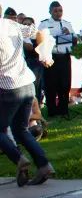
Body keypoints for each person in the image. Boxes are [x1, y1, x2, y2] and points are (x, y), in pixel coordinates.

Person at [1, 10, 54, 187]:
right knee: (20, 129)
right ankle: (44, 165)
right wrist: (44, 54)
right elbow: (40, 33)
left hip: (8, 87)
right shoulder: (11, 24)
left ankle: (19, 159)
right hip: (27, 83)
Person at [39, 1, 76, 117]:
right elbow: (39, 40)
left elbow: (75, 41)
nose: (58, 13)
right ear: (50, 11)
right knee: (51, 85)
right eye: (55, 11)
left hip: (64, 57)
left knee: (65, 84)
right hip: (51, 57)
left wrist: (69, 33)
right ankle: (52, 111)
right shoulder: (44, 24)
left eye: (60, 10)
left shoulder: (67, 23)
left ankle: (63, 109)